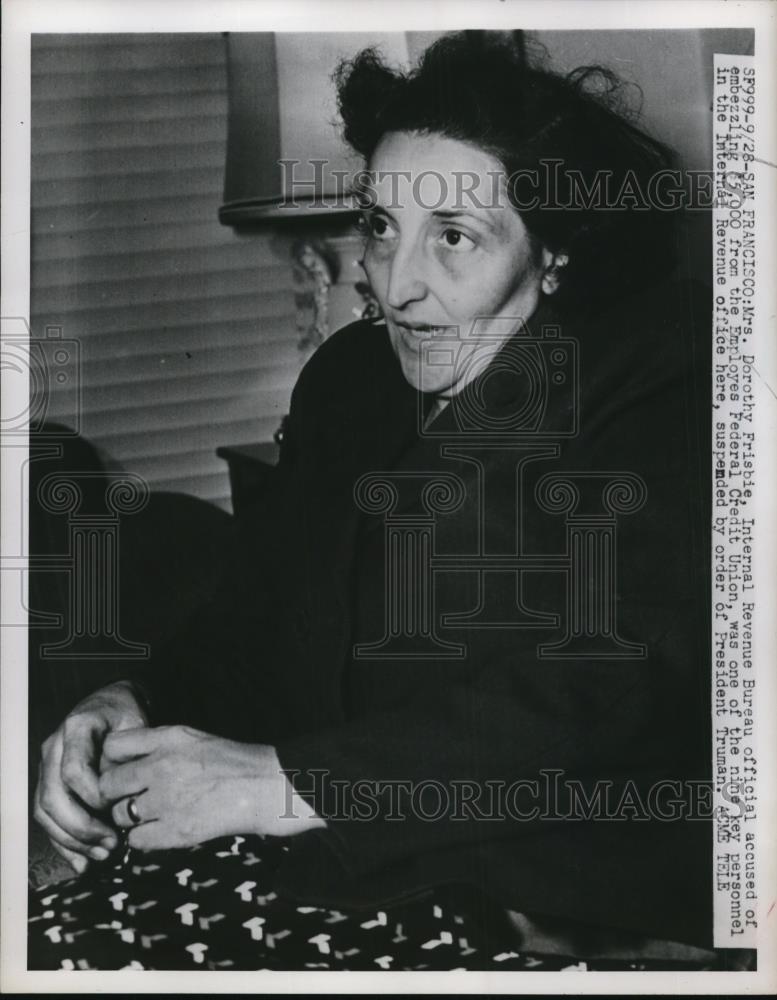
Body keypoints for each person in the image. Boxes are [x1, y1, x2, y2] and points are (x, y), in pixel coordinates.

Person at [29, 32, 715, 970]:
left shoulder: (667, 378)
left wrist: (283, 784)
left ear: (552, 252)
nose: (395, 283)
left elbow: (615, 686)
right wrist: (133, 700)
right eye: (382, 226)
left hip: (554, 898)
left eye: (454, 237)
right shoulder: (352, 378)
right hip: (334, 854)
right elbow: (254, 617)